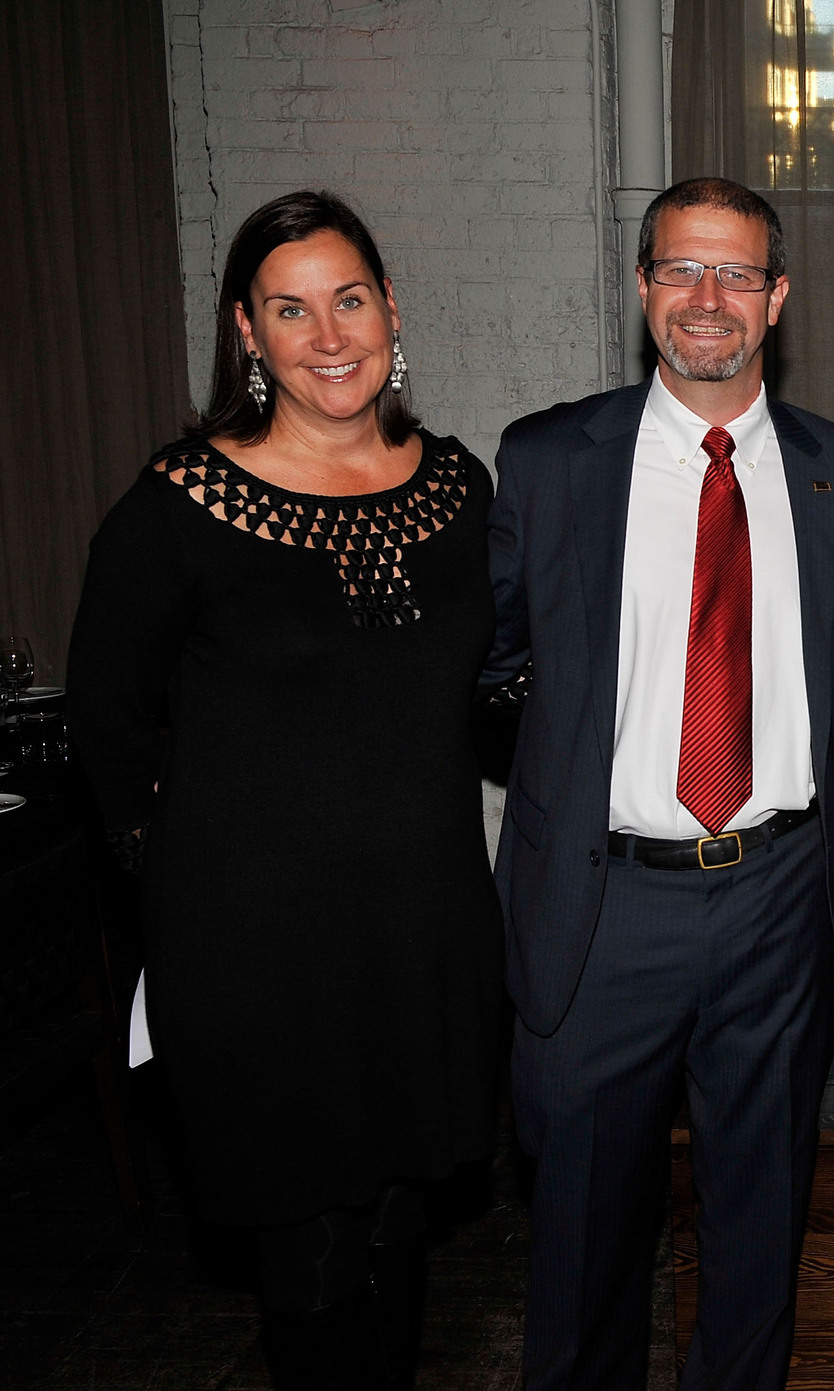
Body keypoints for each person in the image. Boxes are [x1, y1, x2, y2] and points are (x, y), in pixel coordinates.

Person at [67, 190, 502, 1389]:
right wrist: (192, 890)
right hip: (259, 961)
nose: (328, 334)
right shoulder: (179, 508)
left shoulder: (457, 491)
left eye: (349, 299)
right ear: (247, 334)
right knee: (309, 1260)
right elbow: (104, 722)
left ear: (391, 309)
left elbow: (494, 685)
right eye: (290, 309)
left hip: (422, 937)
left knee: (403, 1233)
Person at [483, 176, 834, 1391]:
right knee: (580, 1251)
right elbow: (486, 662)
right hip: (603, 908)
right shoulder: (552, 460)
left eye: (733, 273)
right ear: (642, 289)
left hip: (780, 903)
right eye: (679, 269)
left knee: (757, 1241)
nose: (704, 298)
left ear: (775, 297)